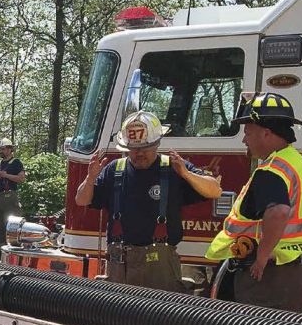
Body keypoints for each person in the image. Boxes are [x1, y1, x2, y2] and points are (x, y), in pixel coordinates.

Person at [75, 111, 222, 291]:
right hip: (119, 264)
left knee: (160, 318)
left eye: (145, 148)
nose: (138, 154)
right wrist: (90, 179)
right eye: (134, 149)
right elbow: (81, 200)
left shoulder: (173, 168)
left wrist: (186, 174)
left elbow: (215, 190)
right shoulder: (114, 170)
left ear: (157, 144)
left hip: (160, 268)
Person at [206, 93, 302, 312]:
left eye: (248, 133)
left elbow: (279, 212)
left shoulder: (271, 170)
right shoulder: (297, 162)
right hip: (298, 267)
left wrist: (261, 257)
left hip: (269, 274)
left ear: (266, 133)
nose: (244, 140)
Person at [0, 138, 26, 258]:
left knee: (11, 225)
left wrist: (6, 175)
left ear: (10, 149)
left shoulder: (16, 163)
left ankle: (13, 252)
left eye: (3, 149)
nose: (1, 151)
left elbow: (21, 179)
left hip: (9, 197)